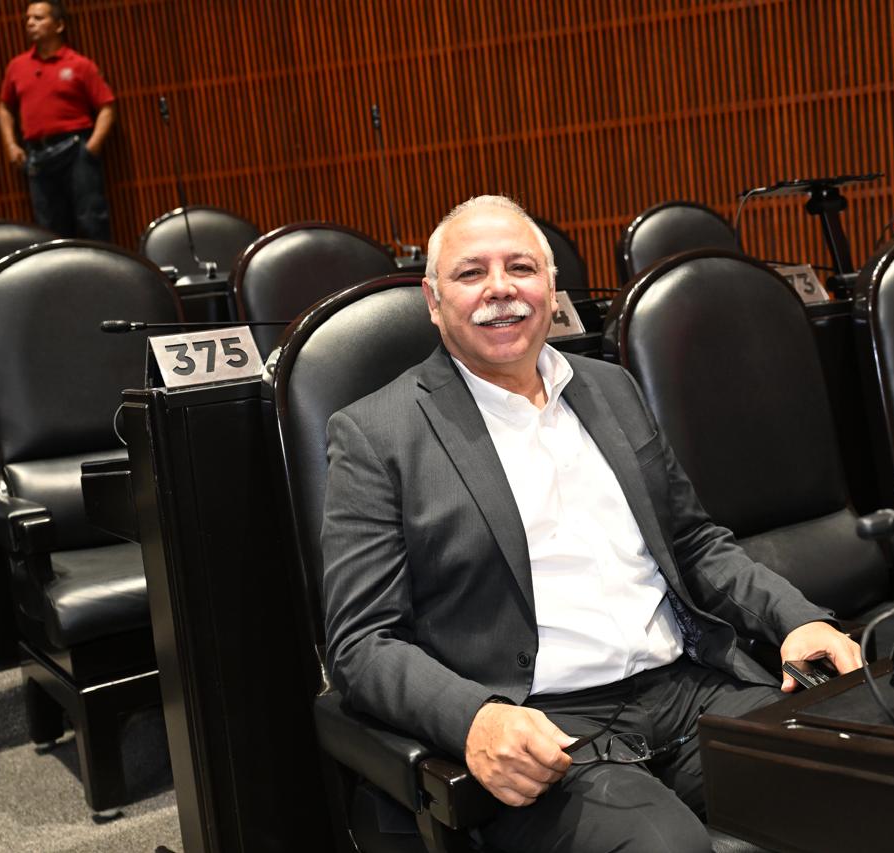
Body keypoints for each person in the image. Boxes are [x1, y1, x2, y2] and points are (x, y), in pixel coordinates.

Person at [320, 195, 863, 853]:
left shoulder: (612, 389)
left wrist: (796, 618)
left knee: (871, 775)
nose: (500, 288)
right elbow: (362, 642)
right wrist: (475, 719)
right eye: (471, 273)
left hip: (688, 691)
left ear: (551, 289)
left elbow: (693, 544)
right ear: (434, 302)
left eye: (521, 267)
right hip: (548, 729)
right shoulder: (377, 434)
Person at [0, 1, 114, 241]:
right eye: (28, 19)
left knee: (91, 220)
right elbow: (4, 107)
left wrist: (92, 146)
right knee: (49, 227)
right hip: (36, 154)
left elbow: (107, 106)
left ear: (59, 25)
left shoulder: (79, 64)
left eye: (38, 18)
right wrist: (11, 144)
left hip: (76, 150)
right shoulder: (17, 66)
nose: (30, 23)